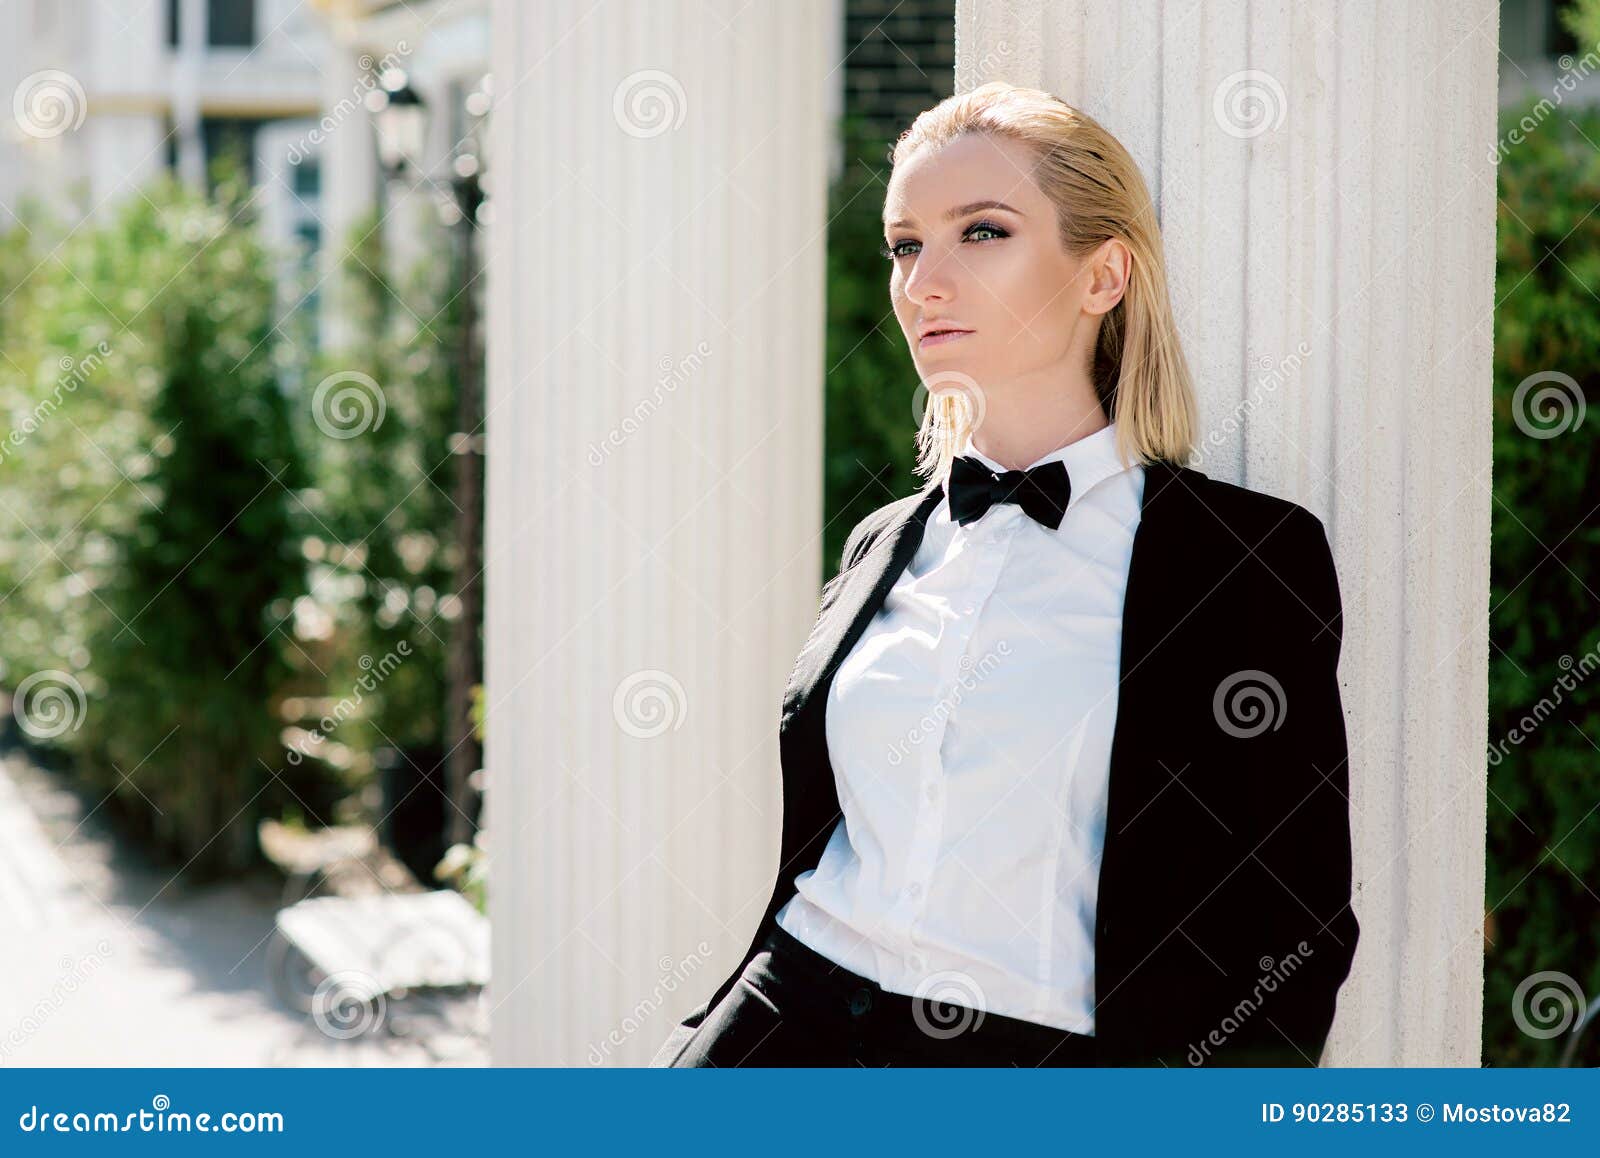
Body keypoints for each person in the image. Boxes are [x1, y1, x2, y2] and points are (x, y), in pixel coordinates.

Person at [653, 81, 1358, 1068]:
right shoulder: (883, 543)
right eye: (905, 244)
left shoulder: (1240, 560)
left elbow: (1294, 915)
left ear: (1103, 275)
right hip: (794, 1012)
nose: (922, 282)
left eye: (980, 232)